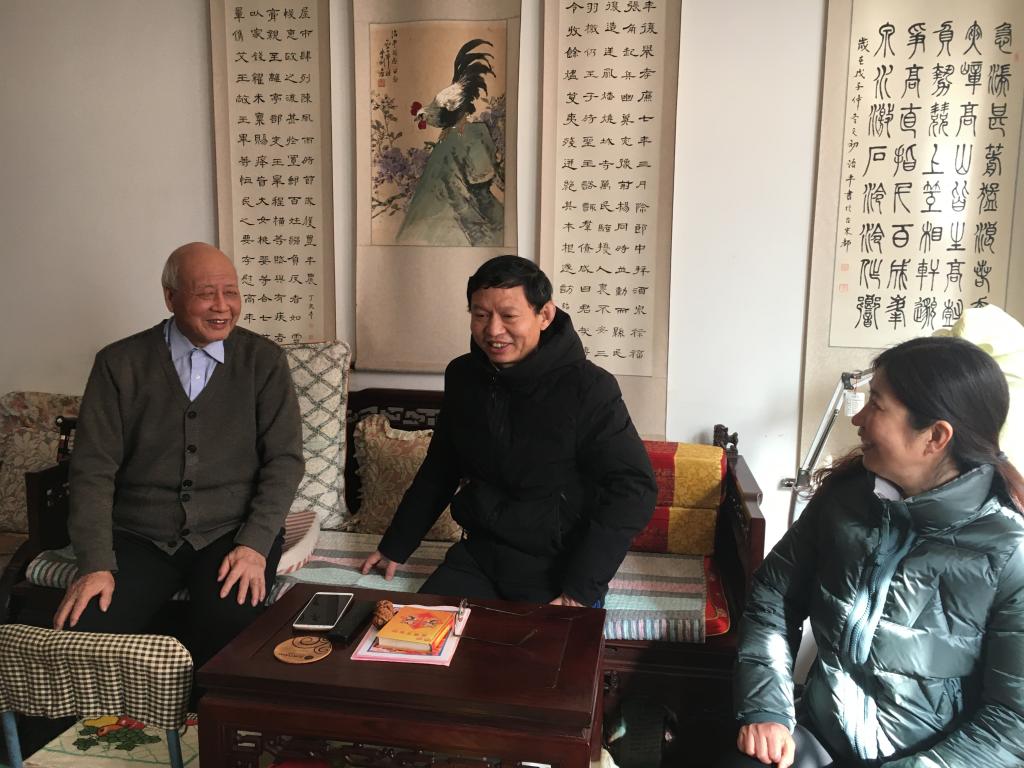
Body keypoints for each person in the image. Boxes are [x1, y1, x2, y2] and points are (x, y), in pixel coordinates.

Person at [727, 336, 1024, 768]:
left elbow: (1011, 725)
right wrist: (767, 709)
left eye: (876, 405)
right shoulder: (845, 500)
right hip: (819, 739)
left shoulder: (1010, 551)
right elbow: (773, 596)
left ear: (935, 436)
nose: (858, 418)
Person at [54, 242, 304, 666]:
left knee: (233, 626)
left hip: (230, 532)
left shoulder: (263, 361)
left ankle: (203, 711)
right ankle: (137, 710)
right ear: (170, 298)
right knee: (83, 629)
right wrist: (95, 563)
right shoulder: (119, 363)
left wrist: (255, 545)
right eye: (206, 293)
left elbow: (284, 461)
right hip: (138, 535)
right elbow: (92, 470)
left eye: (231, 292)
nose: (222, 306)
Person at [361, 255, 656, 607]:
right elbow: (441, 467)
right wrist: (396, 545)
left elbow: (633, 488)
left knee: (536, 646)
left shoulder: (589, 387)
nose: (493, 330)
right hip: (479, 557)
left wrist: (580, 590)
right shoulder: (464, 376)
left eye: (509, 316)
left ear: (545, 315)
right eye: (480, 315)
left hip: (559, 567)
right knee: (414, 633)